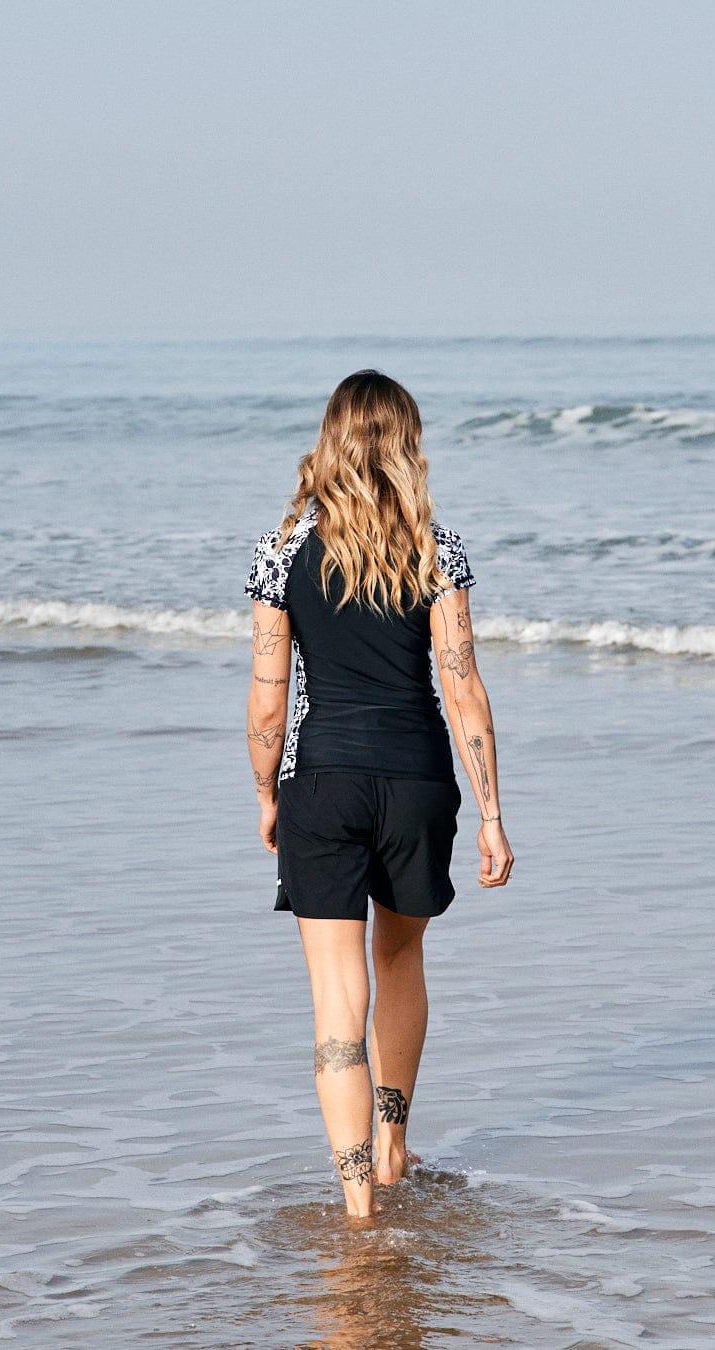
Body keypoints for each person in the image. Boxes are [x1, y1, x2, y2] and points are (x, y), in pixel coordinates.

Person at [244, 370, 513, 1218]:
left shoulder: (282, 548)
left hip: (321, 784)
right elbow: (463, 686)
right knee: (400, 960)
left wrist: (265, 796)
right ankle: (394, 1142)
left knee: (336, 1000)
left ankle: (359, 1205)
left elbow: (266, 696)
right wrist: (495, 817)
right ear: (406, 442)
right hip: (419, 784)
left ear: (330, 439)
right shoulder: (437, 547)